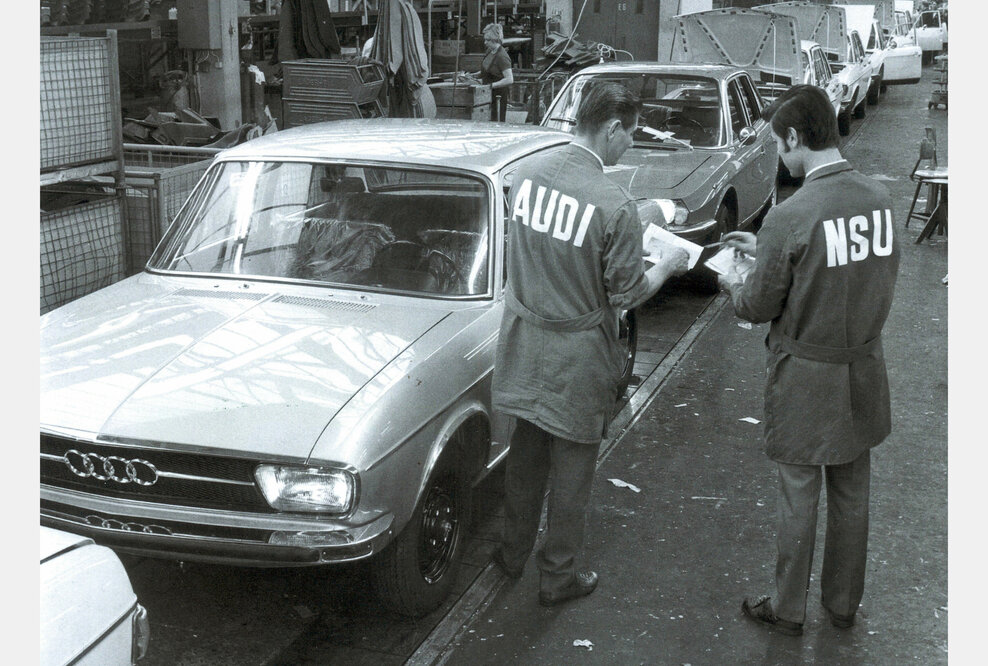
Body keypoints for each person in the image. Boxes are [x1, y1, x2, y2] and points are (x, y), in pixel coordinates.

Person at [491, 82, 689, 606]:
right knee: (574, 471)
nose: (630, 148)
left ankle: (510, 556)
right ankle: (558, 579)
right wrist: (667, 264)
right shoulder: (613, 204)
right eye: (630, 136)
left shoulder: (525, 175)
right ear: (611, 128)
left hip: (523, 340)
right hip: (576, 357)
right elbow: (627, 293)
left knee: (526, 456)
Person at [717, 84, 900, 636]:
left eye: (779, 144)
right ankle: (842, 603)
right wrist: (768, 251)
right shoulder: (879, 201)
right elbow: (841, 266)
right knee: (851, 490)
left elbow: (759, 304)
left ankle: (788, 605)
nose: (779, 154)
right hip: (863, 371)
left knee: (799, 493)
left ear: (795, 137)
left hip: (805, 377)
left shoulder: (791, 213)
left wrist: (734, 279)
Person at [476, 23, 514, 121]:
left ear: (495, 39)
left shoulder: (502, 56)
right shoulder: (489, 51)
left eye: (487, 40)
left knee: (495, 121)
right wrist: (473, 75)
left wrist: (490, 86)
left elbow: (509, 79)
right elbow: (486, 70)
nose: (485, 43)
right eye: (485, 39)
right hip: (487, 94)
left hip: (497, 96)